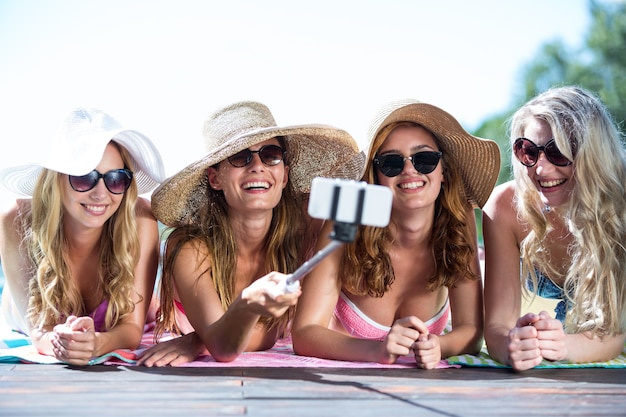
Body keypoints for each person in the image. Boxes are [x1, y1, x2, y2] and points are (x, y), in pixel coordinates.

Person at [137, 100, 363, 366]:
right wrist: (219, 330)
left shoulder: (305, 227)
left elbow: (257, 337)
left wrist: (200, 340)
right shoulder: (189, 248)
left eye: (270, 155)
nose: (257, 166)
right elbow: (227, 346)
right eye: (240, 156)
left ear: (285, 174)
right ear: (215, 178)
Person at [291, 99, 501, 369]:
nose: (409, 170)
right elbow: (305, 332)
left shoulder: (458, 223)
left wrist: (440, 346)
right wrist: (378, 350)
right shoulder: (346, 220)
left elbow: (471, 330)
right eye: (391, 162)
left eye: (424, 159)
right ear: (376, 176)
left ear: (444, 171)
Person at [0, 107, 166, 366]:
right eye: (84, 176)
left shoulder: (141, 218)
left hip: (127, 307)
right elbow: (38, 333)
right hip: (19, 311)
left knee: (152, 310)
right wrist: (58, 343)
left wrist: (98, 343)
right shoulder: (16, 219)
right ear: (56, 179)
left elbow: (131, 331)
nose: (101, 194)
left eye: (115, 179)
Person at [483, 86, 626, 371]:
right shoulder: (504, 207)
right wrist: (514, 345)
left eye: (558, 152)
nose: (540, 169)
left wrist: (564, 346)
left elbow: (617, 332)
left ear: (593, 153)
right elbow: (497, 327)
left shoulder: (619, 204)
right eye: (529, 151)